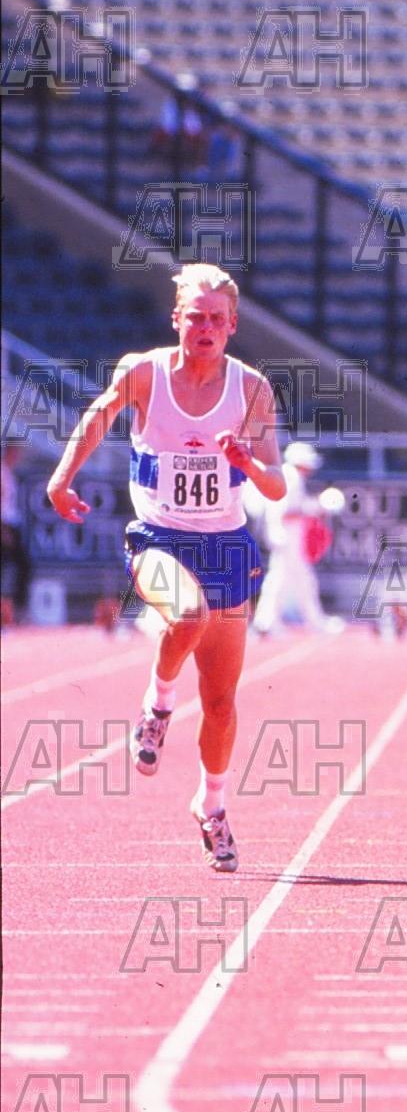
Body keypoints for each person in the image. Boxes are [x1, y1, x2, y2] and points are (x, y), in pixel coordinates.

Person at [46, 264, 285, 872]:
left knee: (222, 702)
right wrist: (62, 478)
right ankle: (156, 706)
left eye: (216, 319)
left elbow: (276, 483)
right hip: (160, 536)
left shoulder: (252, 389)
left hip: (226, 545)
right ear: (176, 319)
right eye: (194, 317)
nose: (205, 328)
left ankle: (212, 805)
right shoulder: (144, 373)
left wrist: (246, 463)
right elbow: (98, 417)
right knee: (186, 615)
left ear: (232, 325)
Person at [249, 440, 339, 634]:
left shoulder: (288, 476)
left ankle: (266, 622)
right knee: (295, 580)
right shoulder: (291, 478)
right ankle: (312, 622)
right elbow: (287, 512)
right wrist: (316, 507)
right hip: (286, 534)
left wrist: (313, 507)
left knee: (285, 579)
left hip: (285, 534)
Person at [1, 439, 31, 625]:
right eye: (16, 451)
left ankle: (12, 608)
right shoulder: (2, 473)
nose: (18, 456)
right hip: (5, 524)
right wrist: (3, 530)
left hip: (10, 523)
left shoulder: (9, 472)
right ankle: (14, 609)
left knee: (20, 566)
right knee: (21, 565)